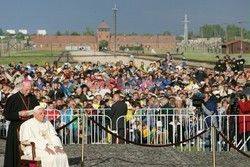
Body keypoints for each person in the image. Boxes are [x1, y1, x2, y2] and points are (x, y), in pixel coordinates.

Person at [3, 79, 39, 167]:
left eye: (30, 89)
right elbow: (6, 115)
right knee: (16, 151)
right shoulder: (12, 98)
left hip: (30, 128)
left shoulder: (32, 97)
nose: (29, 91)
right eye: (27, 89)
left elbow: (37, 109)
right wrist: (19, 114)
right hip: (16, 128)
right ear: (21, 87)